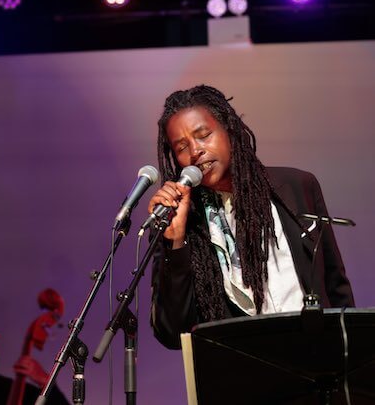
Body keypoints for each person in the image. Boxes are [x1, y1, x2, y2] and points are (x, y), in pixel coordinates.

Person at [147, 84, 354, 349]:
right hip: (246, 373)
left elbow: (337, 288)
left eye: (204, 135)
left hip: (318, 361)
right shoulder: (182, 222)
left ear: (229, 130)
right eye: (181, 146)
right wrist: (175, 243)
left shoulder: (296, 186)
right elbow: (173, 334)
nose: (195, 151)